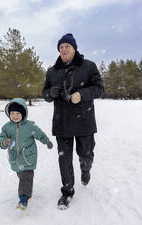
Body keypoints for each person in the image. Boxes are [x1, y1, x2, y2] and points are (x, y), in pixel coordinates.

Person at [42, 33, 104, 210]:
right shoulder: (52, 71)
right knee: (64, 160)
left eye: (67, 46)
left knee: (85, 154)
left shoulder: (88, 66)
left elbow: (99, 89)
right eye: (61, 47)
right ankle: (67, 191)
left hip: (84, 121)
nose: (63, 49)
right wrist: (50, 94)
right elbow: (44, 93)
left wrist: (82, 95)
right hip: (62, 122)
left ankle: (86, 169)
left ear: (74, 48)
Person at [0, 98, 53, 210]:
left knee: (26, 177)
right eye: (12, 113)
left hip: (28, 157)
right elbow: (0, 138)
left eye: (18, 113)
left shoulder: (30, 126)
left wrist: (46, 141)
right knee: (22, 176)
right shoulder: (7, 127)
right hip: (15, 158)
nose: (15, 116)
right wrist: (4, 142)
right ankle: (26, 191)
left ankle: (23, 198)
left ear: (23, 113)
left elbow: (39, 134)